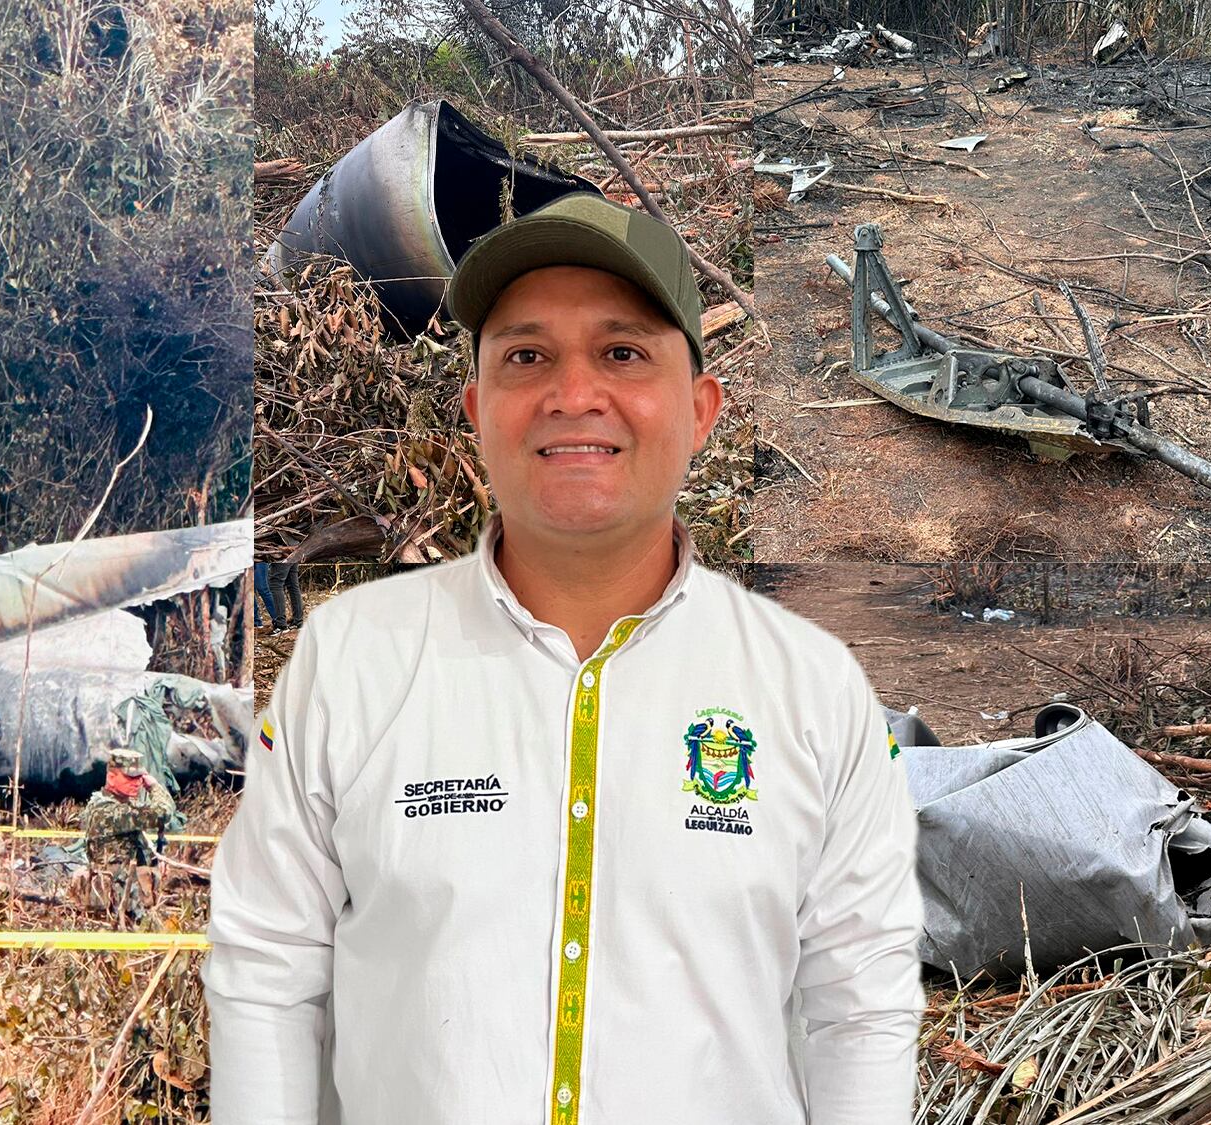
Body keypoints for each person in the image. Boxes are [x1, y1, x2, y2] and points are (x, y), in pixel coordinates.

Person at [205, 193, 923, 1124]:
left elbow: (859, 1005)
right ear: (475, 408)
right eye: (526, 356)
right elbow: (267, 974)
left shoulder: (812, 690)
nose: (572, 393)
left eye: (622, 353)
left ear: (702, 410)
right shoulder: (352, 666)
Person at [80, 746, 179, 924]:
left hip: (127, 896)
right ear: (111, 777)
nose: (136, 783)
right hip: (116, 900)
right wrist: (154, 786)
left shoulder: (121, 805)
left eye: (139, 778)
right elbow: (163, 812)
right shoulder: (108, 810)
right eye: (129, 778)